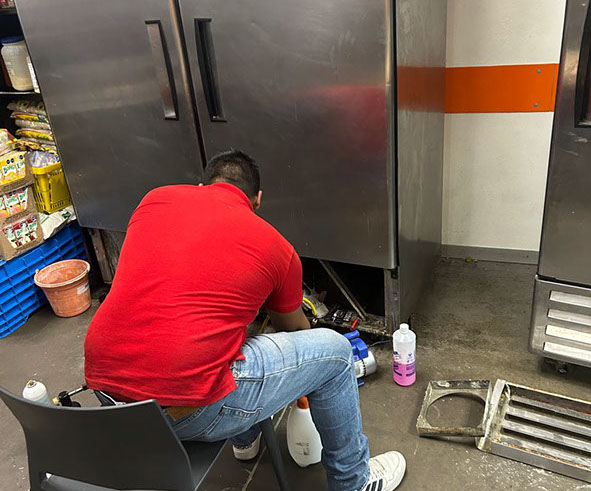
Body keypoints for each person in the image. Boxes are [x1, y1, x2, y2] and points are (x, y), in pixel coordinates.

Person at [84, 149, 406, 491]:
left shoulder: (154, 200)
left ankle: (245, 441)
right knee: (335, 355)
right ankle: (354, 482)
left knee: (225, 330)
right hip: (186, 412)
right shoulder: (277, 247)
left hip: (107, 398)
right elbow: (294, 330)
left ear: (202, 185)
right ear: (257, 200)